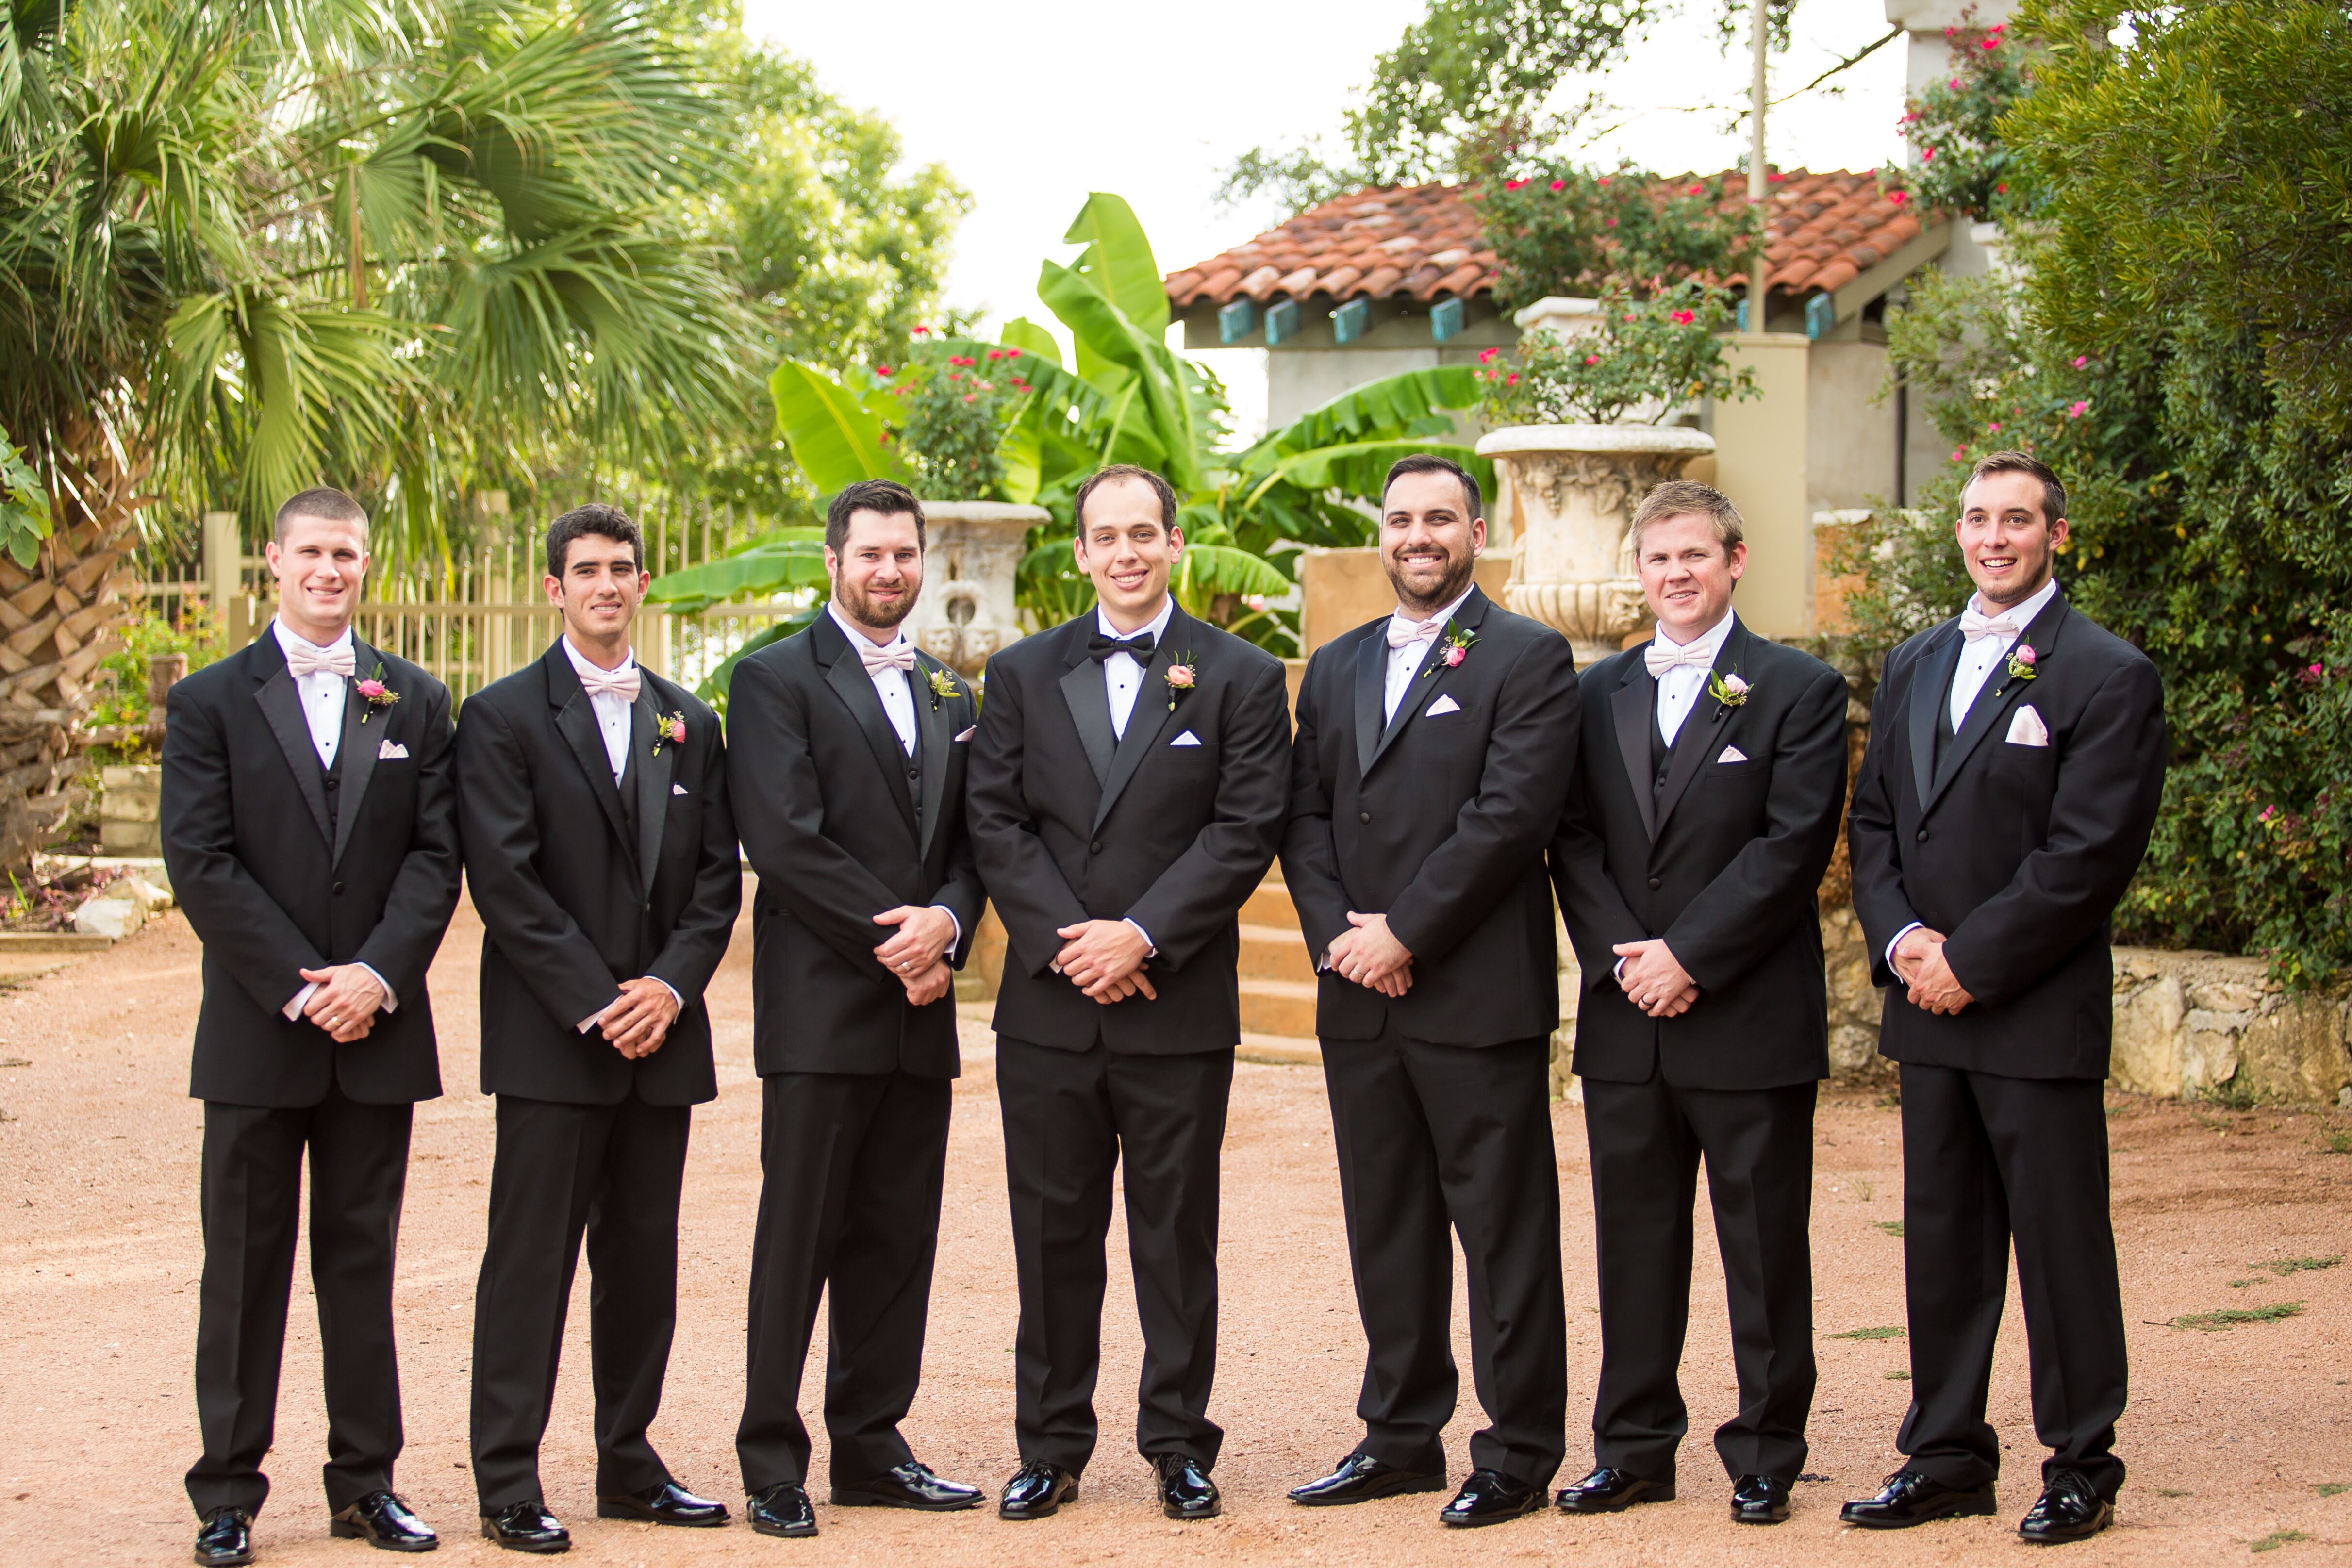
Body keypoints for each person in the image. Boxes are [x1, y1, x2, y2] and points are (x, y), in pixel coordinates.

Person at [1843, 451, 2165, 1544]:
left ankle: (2081, 1460)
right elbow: (1875, 819)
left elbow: (2086, 854)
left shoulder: (2105, 672)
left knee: (2059, 1239)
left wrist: (1968, 960)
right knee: (1941, 1235)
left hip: (2027, 1008)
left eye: (2015, 519)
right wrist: (1899, 941)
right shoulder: (1916, 659)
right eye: (1976, 517)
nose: (1992, 535)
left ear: (2054, 536)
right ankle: (1943, 1455)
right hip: (1923, 1003)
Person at [964, 463, 1289, 1523]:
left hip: (1174, 999)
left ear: (1174, 542)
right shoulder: (1017, 672)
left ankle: (1177, 1442)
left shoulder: (1239, 673)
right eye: (1105, 536)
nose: (1125, 552)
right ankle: (1050, 1444)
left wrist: (1143, 933)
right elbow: (996, 822)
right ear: (1079, 553)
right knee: (1052, 1231)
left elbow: (1243, 828)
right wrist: (1072, 943)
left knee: (1173, 1229)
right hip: (1051, 1006)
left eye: (1143, 532)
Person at [163, 487, 463, 1567]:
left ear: (365, 564)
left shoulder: (416, 701)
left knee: (361, 1261)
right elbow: (200, 860)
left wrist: (375, 975)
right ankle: (228, 1492)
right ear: (275, 564)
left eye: (348, 553)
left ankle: (366, 1482)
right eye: (313, 552)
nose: (331, 569)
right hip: (259, 1031)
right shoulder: (208, 701)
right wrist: (304, 983)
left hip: (376, 1031)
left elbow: (438, 856)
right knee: (243, 1268)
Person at [1279, 454, 1579, 1529]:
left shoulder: (1528, 657)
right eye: (1400, 517)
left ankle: (1516, 1446)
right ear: (1382, 531)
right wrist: (1341, 940)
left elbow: (1509, 818)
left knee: (1501, 1228)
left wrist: (1404, 931)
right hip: (1358, 996)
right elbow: (1301, 816)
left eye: (1438, 517)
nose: (1418, 534)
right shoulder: (1336, 662)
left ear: (1475, 528)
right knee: (1387, 1222)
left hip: (1471, 990)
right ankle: (1400, 1434)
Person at [1546, 480, 1849, 1526]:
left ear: (1734, 560)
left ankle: (1765, 1446)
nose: (1675, 574)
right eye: (1657, 558)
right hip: (1626, 1013)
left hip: (1746, 1015)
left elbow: (1789, 847)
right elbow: (1570, 838)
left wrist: (1690, 956)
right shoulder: (1594, 693)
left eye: (1693, 555)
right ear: (1638, 571)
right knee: (1632, 1243)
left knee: (1761, 1246)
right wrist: (1627, 959)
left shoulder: (1797, 688)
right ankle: (1631, 1446)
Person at [455, 503, 742, 1552]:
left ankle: (628, 1459)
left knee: (642, 1261)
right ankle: (507, 1477)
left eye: (623, 568)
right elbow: (506, 880)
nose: (607, 584)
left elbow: (716, 883)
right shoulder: (497, 718)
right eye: (587, 570)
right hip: (554, 1040)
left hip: (661, 1039)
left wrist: (666, 990)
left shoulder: (688, 720)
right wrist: (601, 997)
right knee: (528, 1263)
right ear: (554, 588)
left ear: (643, 582)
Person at [725, 479, 987, 1538]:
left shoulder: (949, 694)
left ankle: (872, 1444)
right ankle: (770, 1459)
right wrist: (905, 947)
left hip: (918, 1015)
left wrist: (950, 922)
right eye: (870, 553)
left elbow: (973, 847)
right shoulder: (774, 678)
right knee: (799, 1233)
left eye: (904, 554)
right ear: (831, 560)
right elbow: (785, 842)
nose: (889, 570)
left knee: (896, 1235)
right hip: (824, 1007)